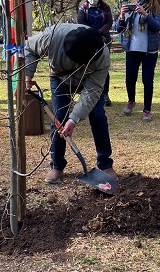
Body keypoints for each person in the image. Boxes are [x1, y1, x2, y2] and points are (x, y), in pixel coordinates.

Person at [23, 23, 115, 184]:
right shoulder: (51, 38)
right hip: (60, 78)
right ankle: (57, 166)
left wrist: (74, 119)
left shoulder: (102, 55)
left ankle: (105, 164)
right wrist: (27, 75)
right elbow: (29, 48)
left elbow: (92, 92)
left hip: (89, 81)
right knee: (59, 118)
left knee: (98, 116)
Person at [117, 0, 160, 122]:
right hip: (132, 49)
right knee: (130, 79)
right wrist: (121, 16)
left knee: (147, 80)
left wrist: (146, 14)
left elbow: (157, 27)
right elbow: (119, 29)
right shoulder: (132, 9)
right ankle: (131, 100)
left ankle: (147, 110)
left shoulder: (156, 10)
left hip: (149, 51)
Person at [77, 0, 114, 106]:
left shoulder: (105, 8)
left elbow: (109, 22)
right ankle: (87, 93)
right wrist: (93, 34)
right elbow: (81, 23)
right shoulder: (83, 9)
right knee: (87, 66)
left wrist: (100, 33)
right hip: (88, 40)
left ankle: (105, 94)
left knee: (103, 67)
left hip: (104, 40)